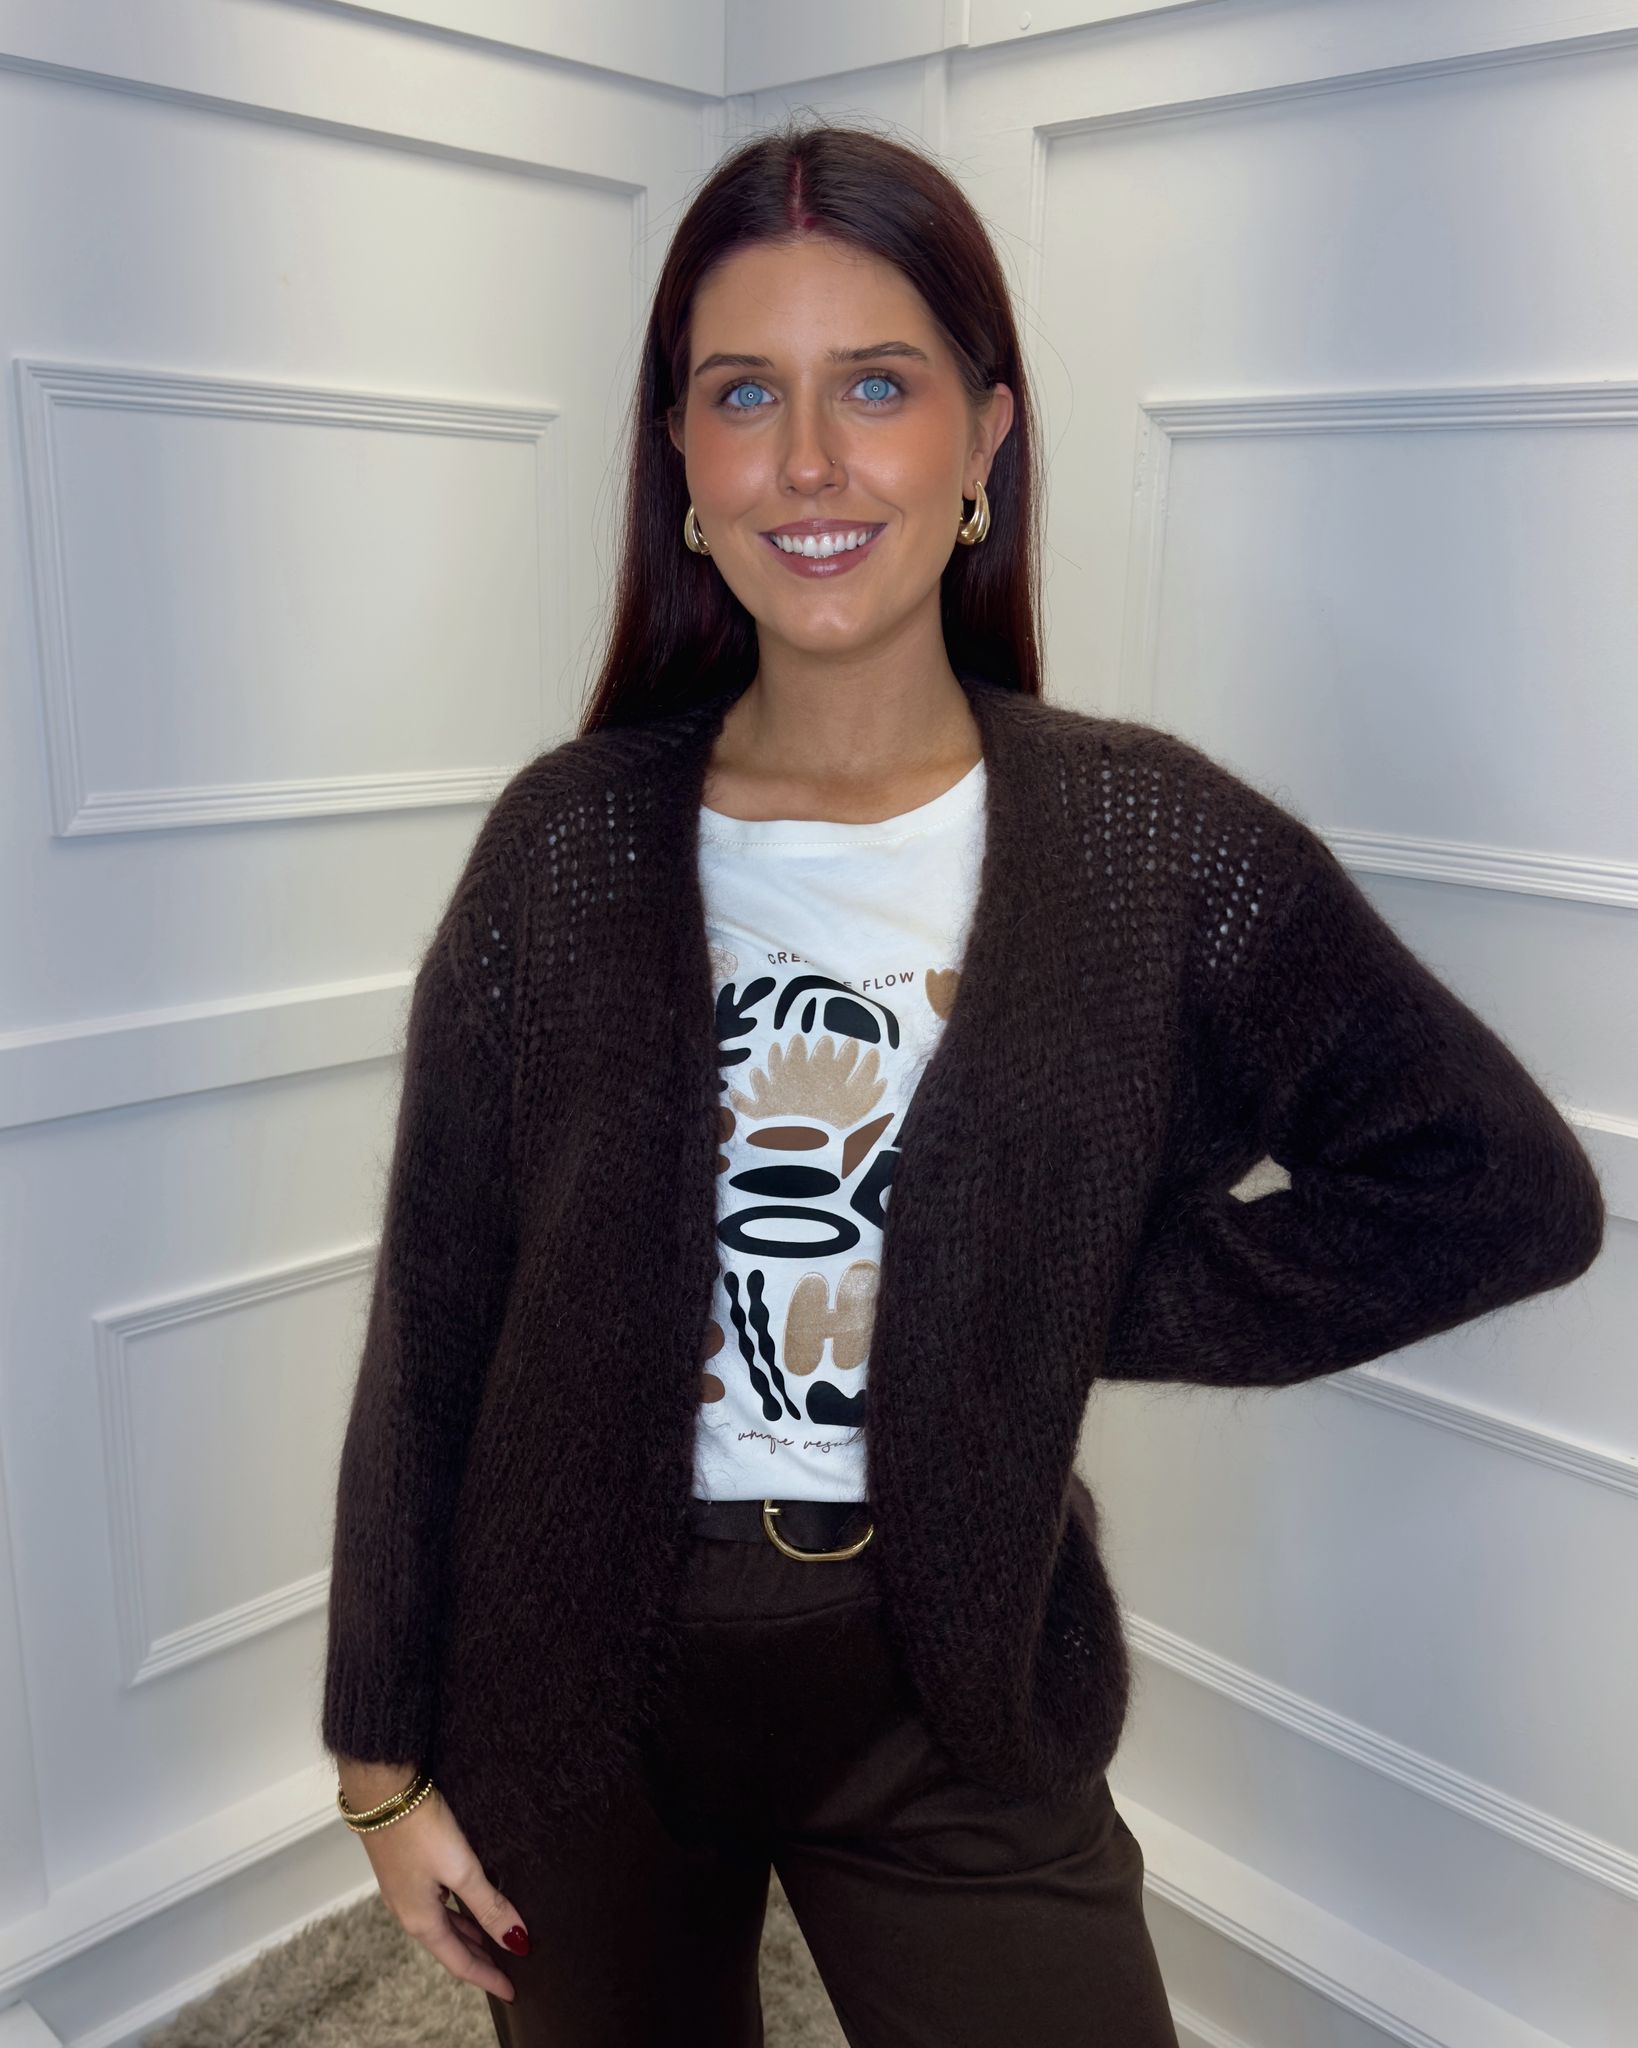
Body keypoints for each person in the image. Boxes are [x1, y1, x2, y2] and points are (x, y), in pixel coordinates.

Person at [318, 120, 1605, 2048]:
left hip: (952, 1686)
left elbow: (1492, 1189)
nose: (807, 461)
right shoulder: (566, 847)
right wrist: (379, 1758)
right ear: (679, 459)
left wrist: (1045, 1291)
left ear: (985, 436)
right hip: (572, 1685)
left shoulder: (1149, 844)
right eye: (741, 393)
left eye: (877, 387)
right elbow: (438, 1318)